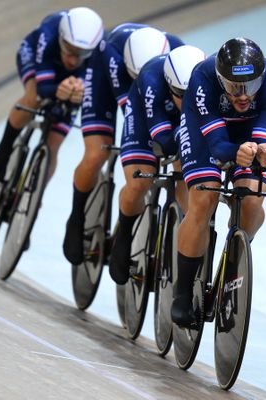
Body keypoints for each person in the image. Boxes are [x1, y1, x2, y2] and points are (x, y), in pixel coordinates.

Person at [170, 38, 266, 327]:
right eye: (235, 87)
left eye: (250, 86)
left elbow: (263, 139)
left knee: (252, 200)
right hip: (207, 133)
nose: (244, 95)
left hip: (247, 131)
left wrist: (265, 152)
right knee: (203, 200)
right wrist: (236, 153)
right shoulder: (203, 78)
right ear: (221, 79)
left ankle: (233, 264)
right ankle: (182, 292)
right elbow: (218, 145)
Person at [62, 23, 184, 265]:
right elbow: (136, 115)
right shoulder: (113, 56)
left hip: (161, 89)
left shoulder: (180, 55)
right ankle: (76, 218)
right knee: (98, 153)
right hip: (108, 85)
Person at [108, 45, 206, 284]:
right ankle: (123, 236)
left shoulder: (208, 80)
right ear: (168, 83)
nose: (185, 101)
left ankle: (185, 236)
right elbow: (164, 140)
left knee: (189, 182)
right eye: (179, 94)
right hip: (146, 118)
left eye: (190, 94)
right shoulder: (152, 80)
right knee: (139, 181)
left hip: (182, 127)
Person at [0, 7, 103, 183]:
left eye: (82, 53)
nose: (73, 60)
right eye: (70, 50)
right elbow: (44, 88)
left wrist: (80, 92)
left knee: (54, 144)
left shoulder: (99, 49)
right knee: (34, 99)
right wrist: (58, 91)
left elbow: (94, 89)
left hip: (72, 77)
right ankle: (3, 151)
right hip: (36, 58)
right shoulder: (49, 31)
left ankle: (34, 195)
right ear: (61, 38)